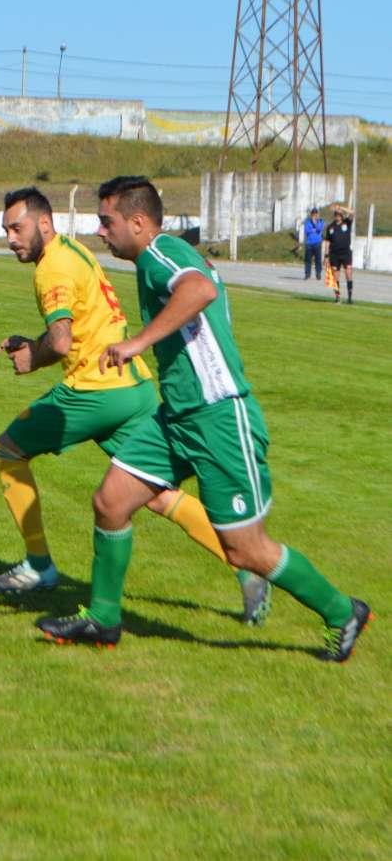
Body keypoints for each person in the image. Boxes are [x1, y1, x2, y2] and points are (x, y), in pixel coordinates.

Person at [36, 176, 369, 662]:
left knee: (245, 550)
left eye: (107, 222)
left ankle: (343, 611)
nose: (100, 231)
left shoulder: (161, 253)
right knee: (110, 502)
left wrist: (136, 343)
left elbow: (199, 289)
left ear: (138, 222)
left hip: (218, 418)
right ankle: (103, 618)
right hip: (177, 418)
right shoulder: (155, 258)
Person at [0, 187, 270, 625]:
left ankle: (38, 565)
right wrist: (34, 343)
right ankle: (247, 568)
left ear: (44, 223)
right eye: (6, 230)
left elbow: (60, 343)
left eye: (16, 228)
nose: (10, 238)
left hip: (93, 390)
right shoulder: (72, 251)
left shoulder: (51, 269)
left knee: (6, 450)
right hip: (132, 387)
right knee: (157, 494)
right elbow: (80, 325)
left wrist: (32, 357)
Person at [323, 203, 355, 304]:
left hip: (346, 253)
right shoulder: (330, 227)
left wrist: (341, 207)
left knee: (348, 273)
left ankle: (349, 297)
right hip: (334, 254)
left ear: (342, 215)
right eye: (336, 214)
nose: (338, 216)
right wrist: (326, 255)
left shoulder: (347, 222)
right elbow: (327, 242)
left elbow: (352, 212)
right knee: (336, 276)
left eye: (339, 214)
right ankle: (337, 297)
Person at [301, 206, 324, 280]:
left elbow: (319, 229)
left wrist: (315, 224)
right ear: (311, 214)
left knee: (318, 259)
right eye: (313, 214)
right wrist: (314, 229)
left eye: (316, 214)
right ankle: (307, 274)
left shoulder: (320, 221)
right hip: (309, 243)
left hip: (317, 243)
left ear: (317, 214)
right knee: (308, 260)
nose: (314, 215)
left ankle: (318, 273)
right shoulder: (307, 222)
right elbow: (307, 231)